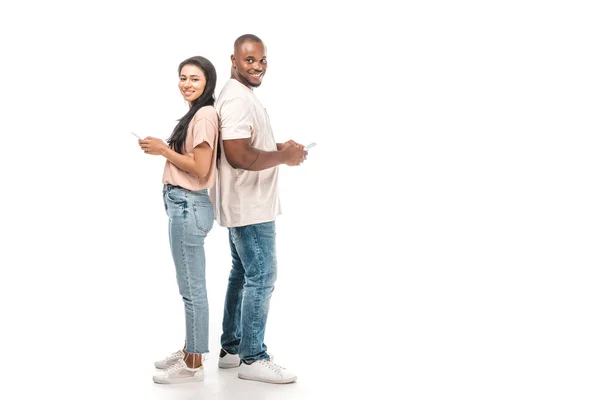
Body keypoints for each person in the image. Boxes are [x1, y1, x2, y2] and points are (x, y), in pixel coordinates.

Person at [211, 34, 305, 384]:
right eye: (249, 60)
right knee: (262, 276)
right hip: (251, 208)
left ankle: (232, 349)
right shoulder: (236, 99)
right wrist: (283, 157)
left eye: (262, 60)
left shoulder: (241, 96)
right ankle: (253, 357)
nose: (258, 66)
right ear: (234, 61)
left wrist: (279, 147)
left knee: (243, 273)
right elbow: (237, 155)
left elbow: (247, 145)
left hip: (247, 204)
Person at [137, 56, 219, 384]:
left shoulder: (205, 115)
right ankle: (190, 350)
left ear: (207, 83)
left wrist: (162, 149)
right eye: (183, 77)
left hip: (188, 206)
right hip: (183, 205)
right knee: (189, 285)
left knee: (192, 288)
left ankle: (194, 364)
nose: (186, 84)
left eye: (194, 79)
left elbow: (200, 168)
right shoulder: (196, 114)